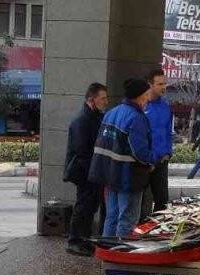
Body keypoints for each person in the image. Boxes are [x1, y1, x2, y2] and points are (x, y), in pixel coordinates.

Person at [89, 78, 156, 238]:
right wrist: (152, 161)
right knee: (127, 219)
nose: (148, 99)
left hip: (110, 175)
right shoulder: (136, 117)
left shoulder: (111, 113)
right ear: (140, 96)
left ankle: (106, 249)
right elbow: (139, 151)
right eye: (147, 95)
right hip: (129, 177)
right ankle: (120, 250)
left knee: (111, 217)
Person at [64, 81, 107, 256]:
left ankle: (84, 239)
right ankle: (74, 241)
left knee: (90, 207)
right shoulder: (82, 120)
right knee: (83, 206)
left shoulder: (95, 117)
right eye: (102, 98)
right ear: (91, 99)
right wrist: (93, 172)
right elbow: (81, 151)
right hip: (84, 172)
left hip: (92, 171)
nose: (105, 102)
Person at [143, 69, 172, 218]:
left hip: (161, 161)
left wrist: (168, 153)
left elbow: (168, 132)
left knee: (162, 202)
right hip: (144, 162)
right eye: (160, 84)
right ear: (150, 85)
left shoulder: (166, 106)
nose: (164, 87)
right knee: (140, 203)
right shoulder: (141, 106)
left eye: (165, 83)